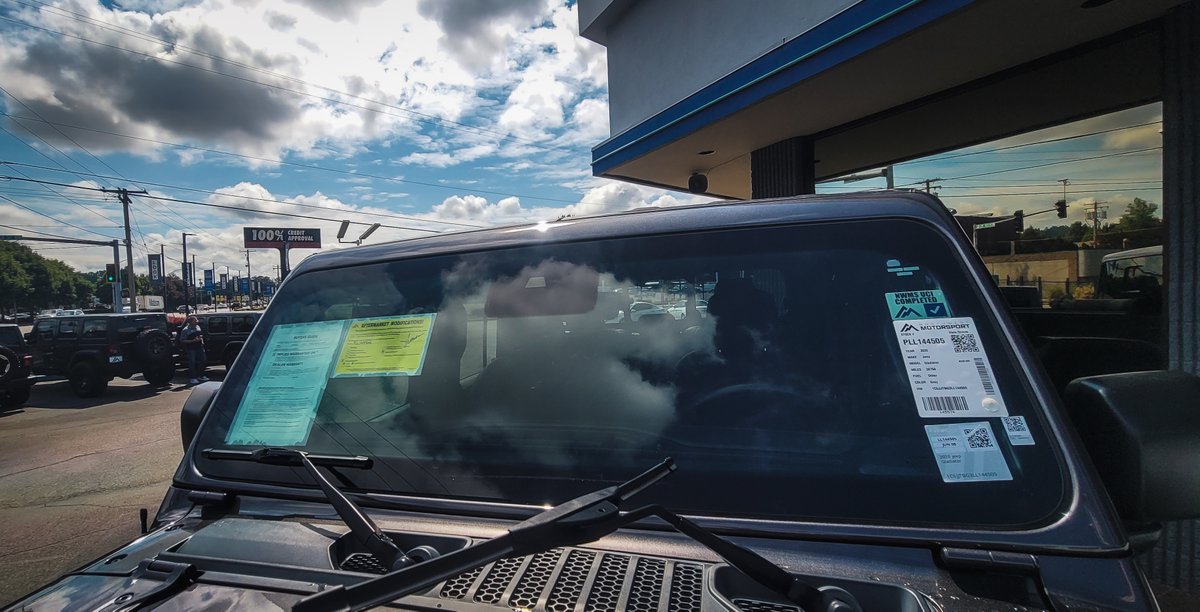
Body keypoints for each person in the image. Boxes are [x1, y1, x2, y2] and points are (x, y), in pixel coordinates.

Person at [180, 316, 208, 384]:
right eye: (195, 320)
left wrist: (201, 339)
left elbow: (200, 335)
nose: (197, 321)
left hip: (199, 347)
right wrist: (192, 341)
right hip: (191, 348)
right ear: (190, 322)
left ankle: (201, 375)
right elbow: (182, 340)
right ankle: (192, 378)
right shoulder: (185, 330)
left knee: (203, 360)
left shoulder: (198, 327)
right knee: (192, 363)